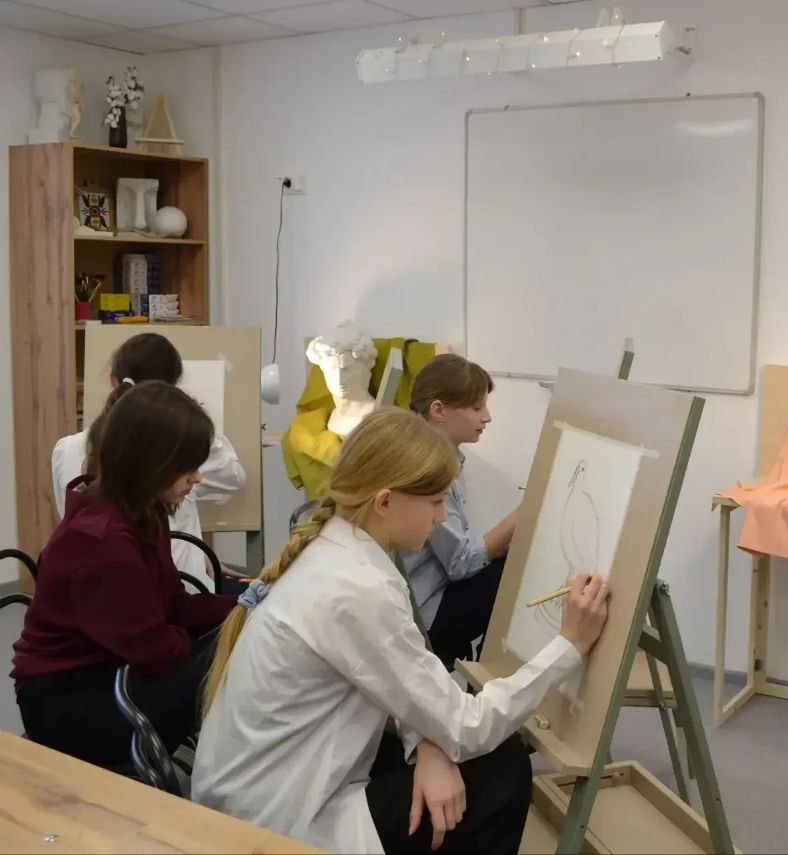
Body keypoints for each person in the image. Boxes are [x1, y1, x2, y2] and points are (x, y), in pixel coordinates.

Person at [192, 408, 608, 855]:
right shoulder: (356, 588)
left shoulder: (336, 546)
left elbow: (398, 679)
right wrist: (569, 645)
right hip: (272, 825)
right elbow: (467, 726)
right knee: (501, 769)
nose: (442, 516)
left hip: (267, 790)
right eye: (435, 501)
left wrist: (428, 744)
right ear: (385, 502)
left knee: (461, 756)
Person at [12, 382, 237, 769]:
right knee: (230, 657)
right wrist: (228, 631)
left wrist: (243, 605)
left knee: (235, 637)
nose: (197, 478)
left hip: (105, 670)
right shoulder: (100, 542)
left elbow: (174, 605)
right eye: (187, 467)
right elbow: (153, 648)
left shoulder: (142, 513)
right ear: (149, 463)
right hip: (66, 703)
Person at [52, 333, 246, 588]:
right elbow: (234, 476)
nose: (195, 478)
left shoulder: (66, 450)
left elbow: (66, 515)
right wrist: (191, 424)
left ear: (113, 381)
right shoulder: (166, 448)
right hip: (165, 589)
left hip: (104, 586)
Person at [400, 354, 519, 667]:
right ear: (439, 410)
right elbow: (460, 561)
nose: (487, 417)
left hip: (428, 597)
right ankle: (486, 683)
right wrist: (521, 516)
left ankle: (483, 679)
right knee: (514, 576)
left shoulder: (438, 455)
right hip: (424, 616)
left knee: (508, 560)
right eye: (477, 408)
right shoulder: (425, 466)